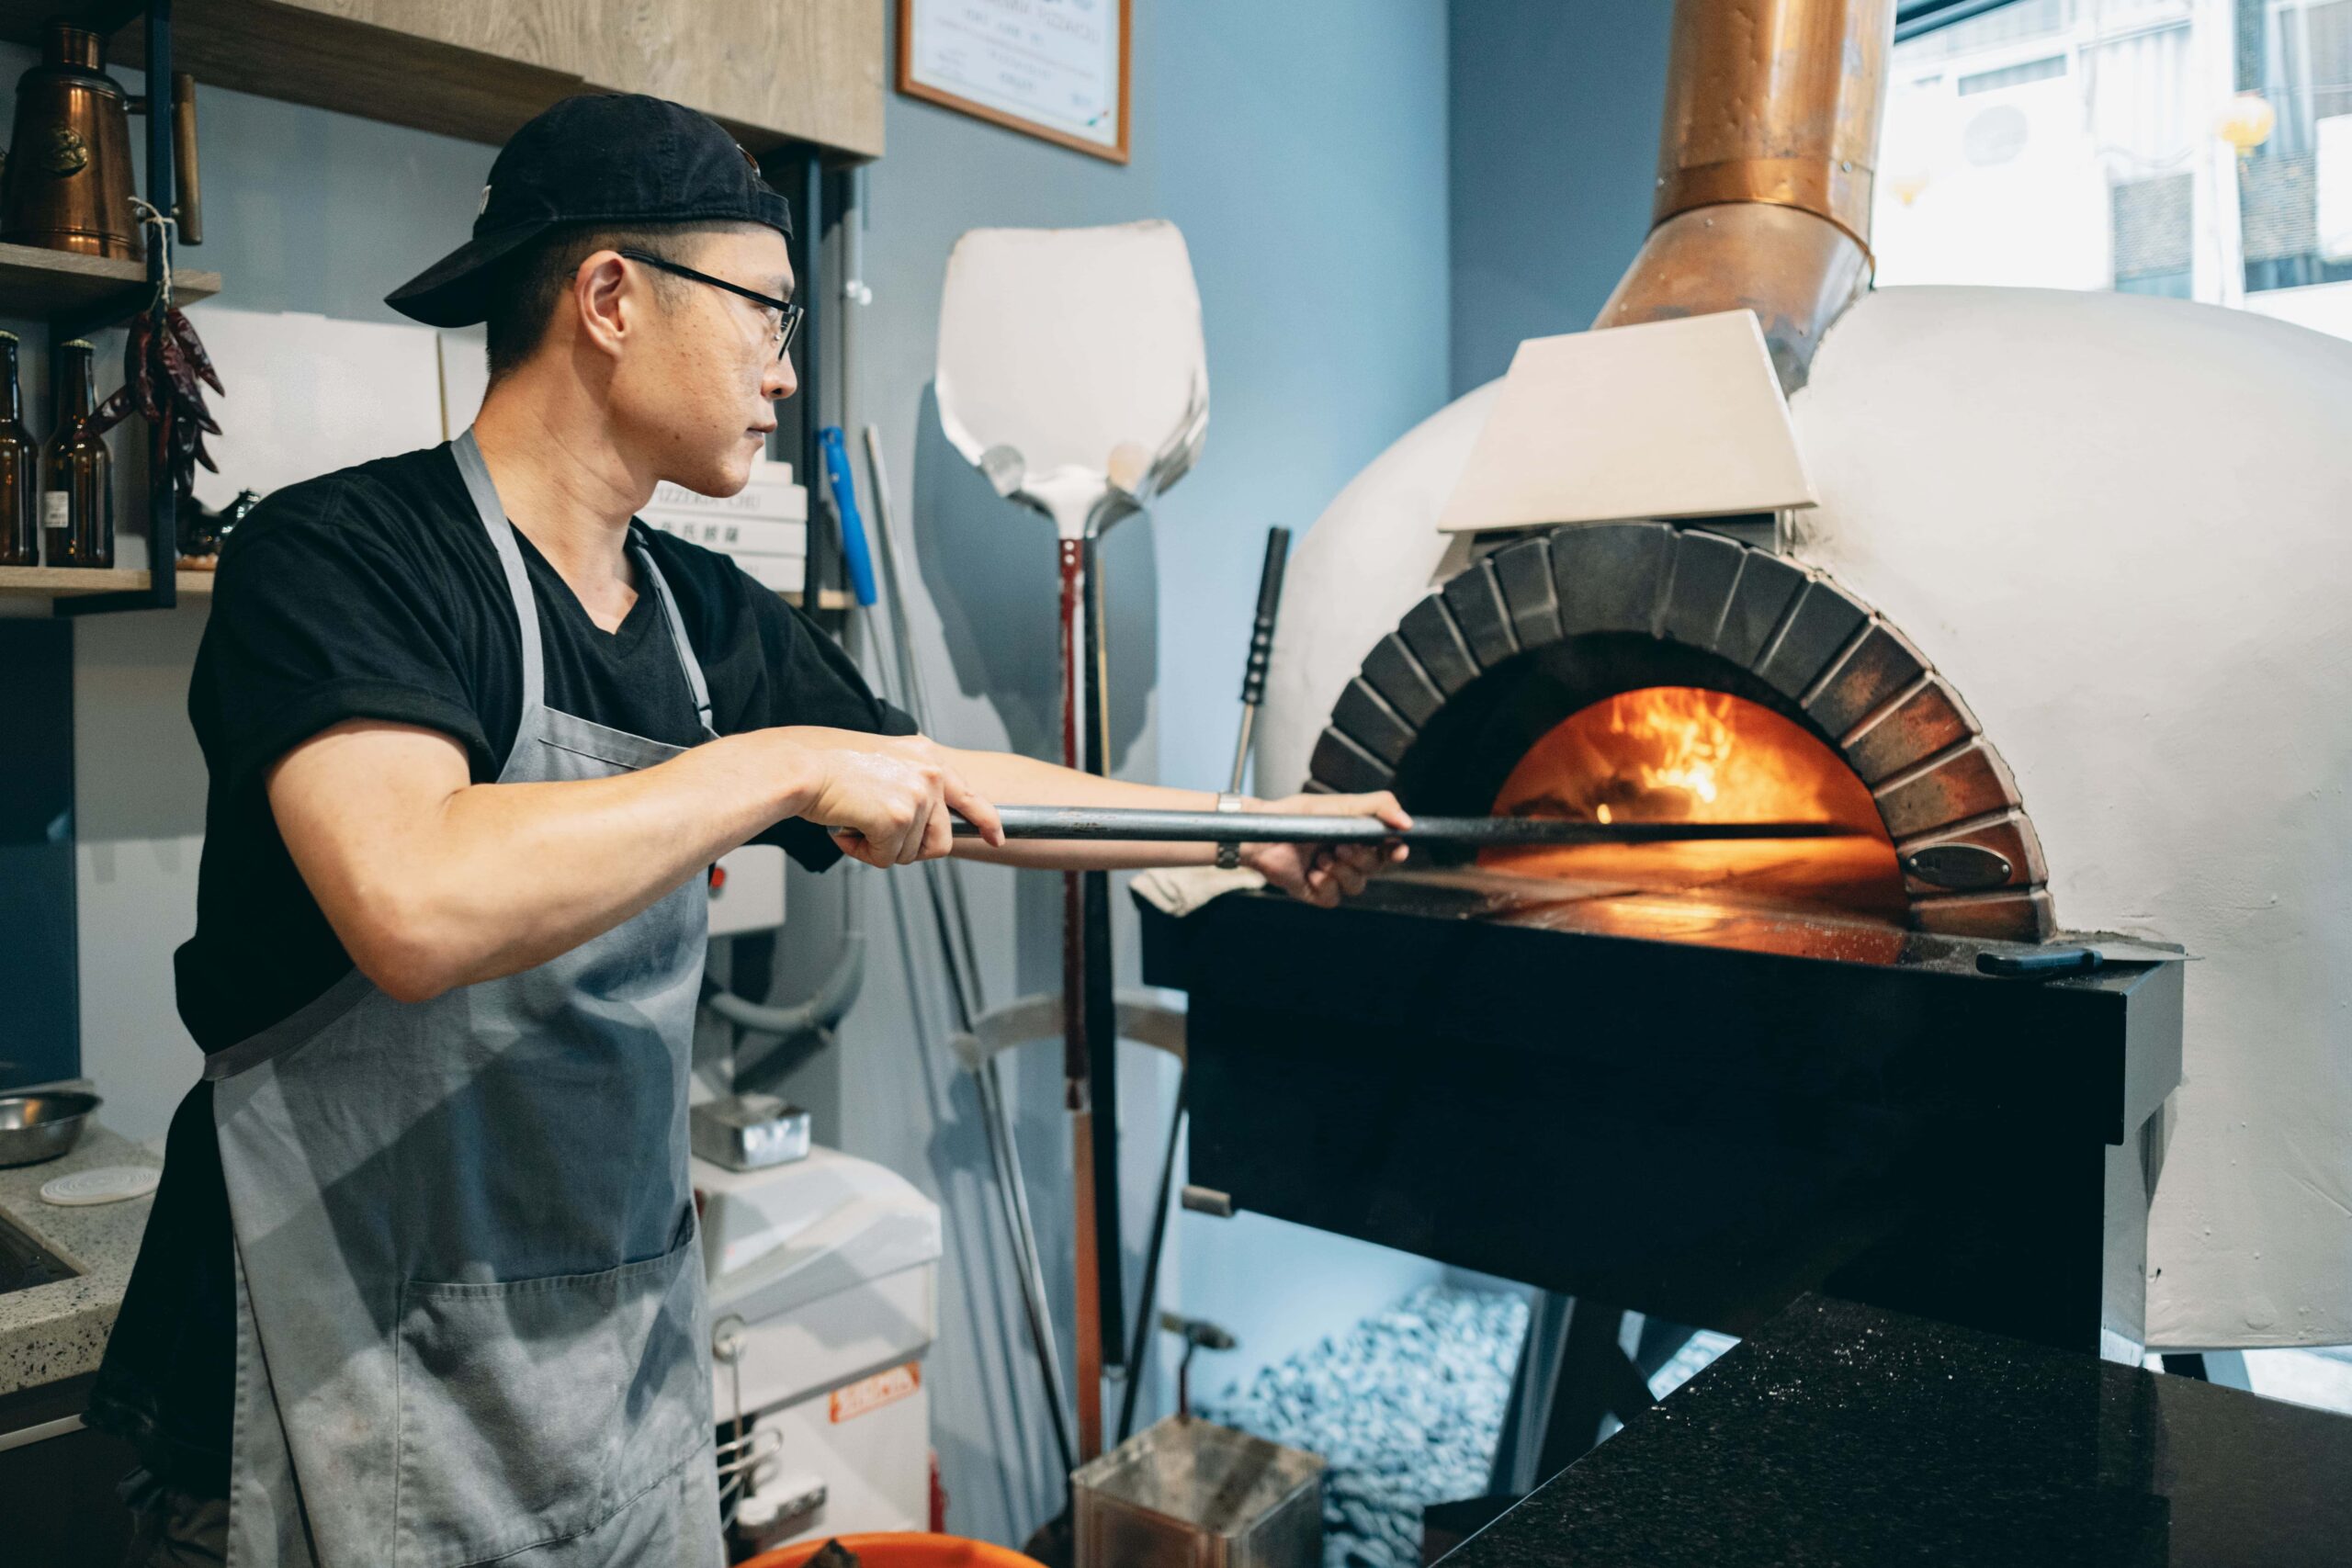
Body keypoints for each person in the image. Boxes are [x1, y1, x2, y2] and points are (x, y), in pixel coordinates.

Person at [87, 94, 1405, 1567]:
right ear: (610, 298)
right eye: (767, 313)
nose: (785, 367)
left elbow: (955, 785)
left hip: (609, 1380)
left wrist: (1251, 831)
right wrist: (778, 766)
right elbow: (414, 901)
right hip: (334, 1382)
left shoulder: (701, 616)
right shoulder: (343, 556)